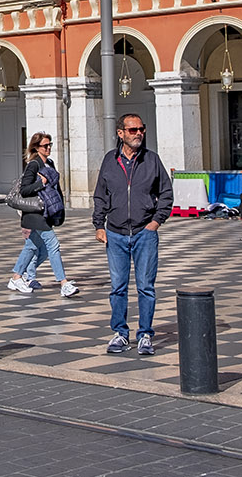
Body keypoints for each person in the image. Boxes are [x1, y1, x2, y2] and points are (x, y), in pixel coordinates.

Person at [92, 113, 173, 356]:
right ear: (121, 134)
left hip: (144, 232)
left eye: (141, 129)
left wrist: (156, 222)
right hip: (115, 233)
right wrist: (98, 224)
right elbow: (100, 195)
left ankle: (145, 334)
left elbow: (166, 194)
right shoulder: (110, 160)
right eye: (132, 130)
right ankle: (119, 333)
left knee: (146, 287)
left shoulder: (151, 160)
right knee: (118, 286)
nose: (138, 134)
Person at [6, 132, 79, 298]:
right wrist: (41, 183)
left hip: (46, 212)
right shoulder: (33, 165)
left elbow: (55, 188)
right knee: (53, 245)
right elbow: (24, 190)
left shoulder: (50, 163)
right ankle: (64, 283)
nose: (48, 148)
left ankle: (16, 277)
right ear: (36, 147)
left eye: (50, 145)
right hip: (34, 213)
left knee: (33, 247)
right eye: (45, 146)